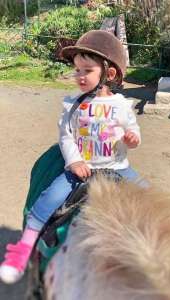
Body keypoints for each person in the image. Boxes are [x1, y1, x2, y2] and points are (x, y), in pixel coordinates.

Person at [0, 30, 148, 284]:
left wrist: (132, 138)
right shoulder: (73, 105)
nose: (79, 75)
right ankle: (22, 251)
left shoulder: (121, 105)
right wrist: (74, 161)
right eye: (77, 70)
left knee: (150, 197)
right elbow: (66, 136)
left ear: (108, 74)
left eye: (86, 70)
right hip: (80, 168)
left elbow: (132, 129)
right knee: (46, 202)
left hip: (117, 167)